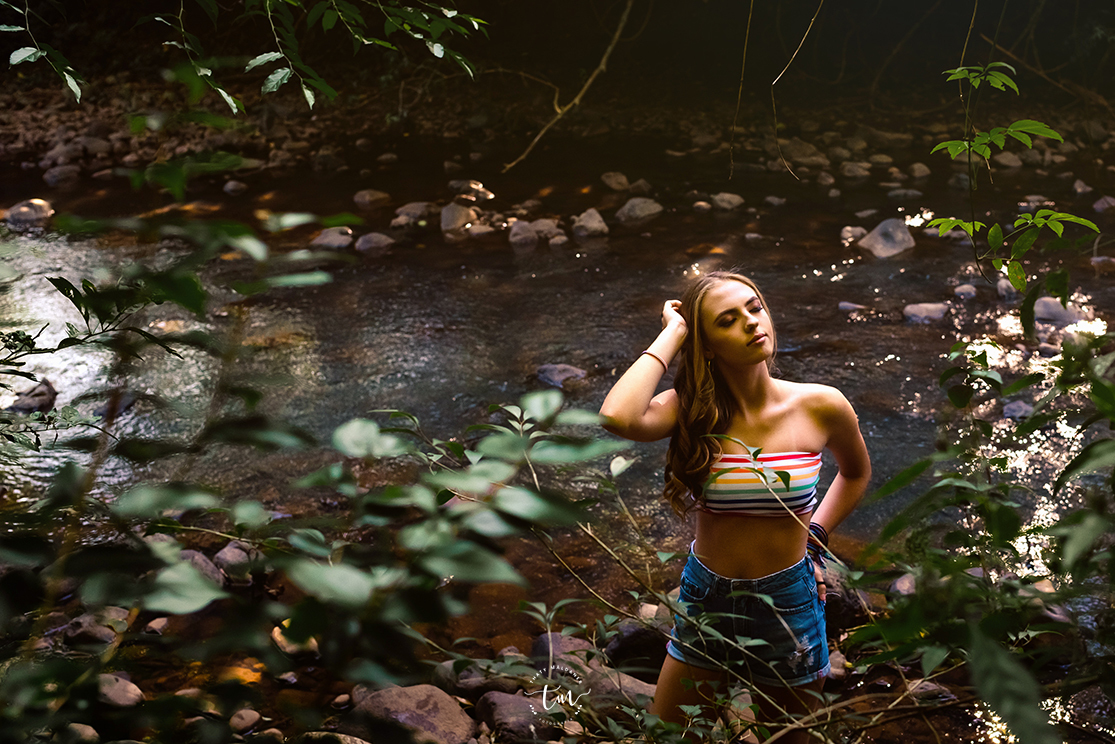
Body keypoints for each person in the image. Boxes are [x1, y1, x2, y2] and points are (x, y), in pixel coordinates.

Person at [599, 270, 871, 743]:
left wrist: (817, 536)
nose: (751, 322)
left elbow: (855, 473)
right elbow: (617, 416)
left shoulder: (821, 405)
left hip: (789, 597)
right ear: (707, 345)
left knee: (787, 738)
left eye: (754, 307)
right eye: (728, 320)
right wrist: (673, 332)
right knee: (671, 736)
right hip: (707, 598)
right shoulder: (689, 410)